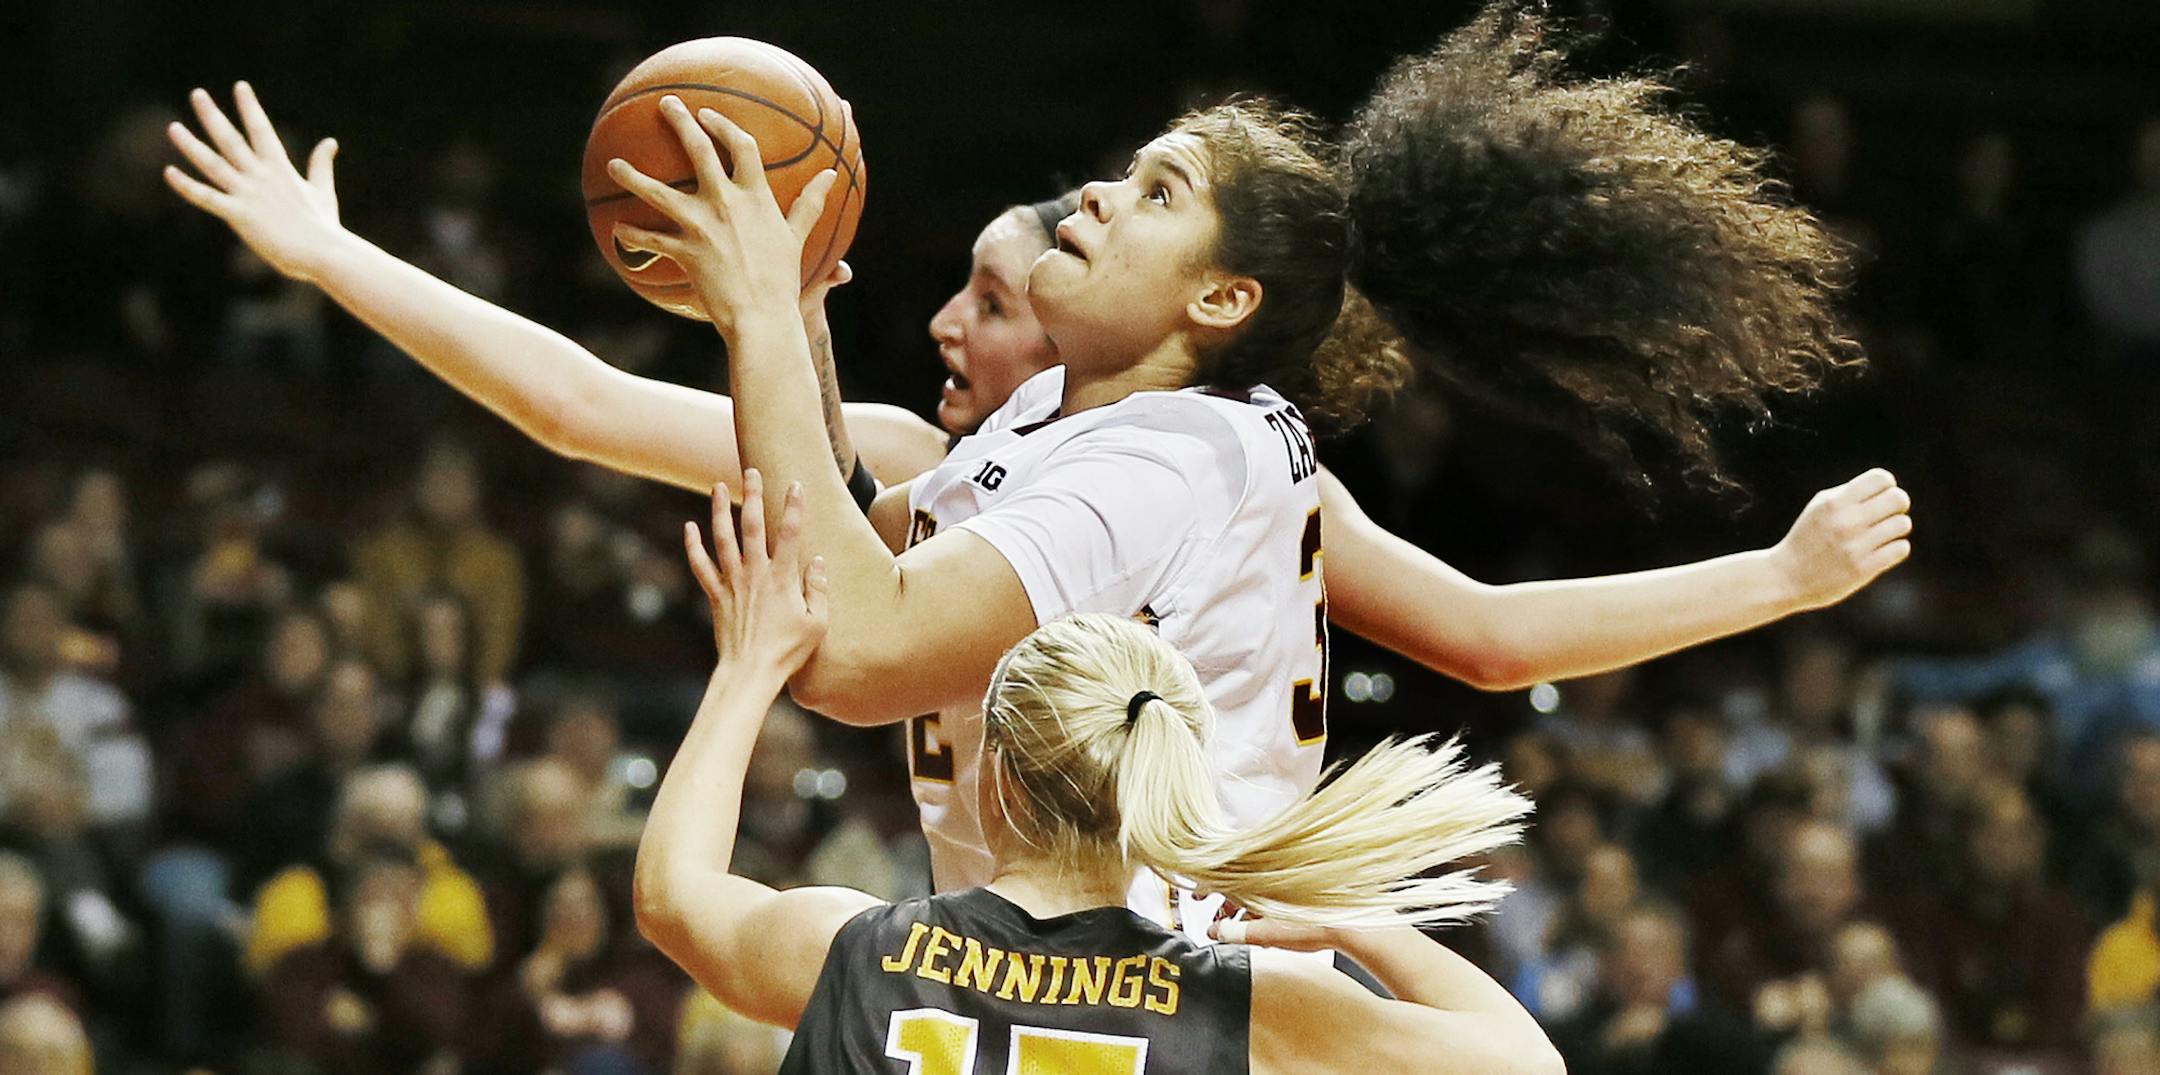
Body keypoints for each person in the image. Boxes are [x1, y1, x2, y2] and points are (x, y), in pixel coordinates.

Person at [166, 6, 1911, 903]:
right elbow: (585, 408)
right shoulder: (1026, 449)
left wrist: (774, 311)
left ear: (1220, 297)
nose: (1091, 196)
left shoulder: (1182, 465)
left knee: (724, 931)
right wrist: (335, 259)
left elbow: (849, 657)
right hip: (1058, 970)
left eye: (1149, 195)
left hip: (1162, 993)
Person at [634, 475, 1562, 1074]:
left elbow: (673, 894)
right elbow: (1526, 1065)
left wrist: (749, 667)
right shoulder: (1245, 1006)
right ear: (1166, 778)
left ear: (992, 776)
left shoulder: (855, 948)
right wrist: (1357, 924)